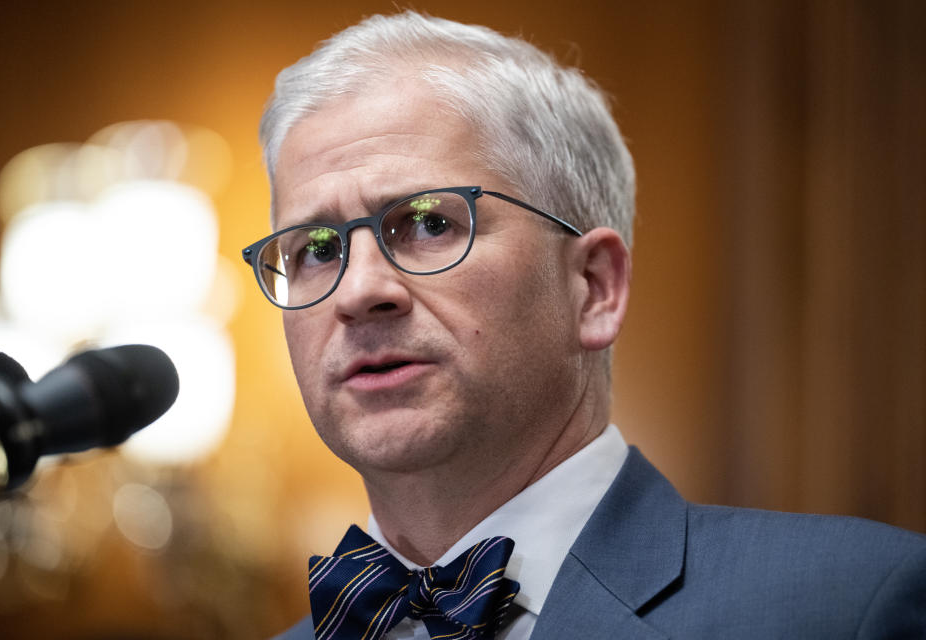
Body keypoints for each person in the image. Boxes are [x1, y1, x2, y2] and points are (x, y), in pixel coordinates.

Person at [242, 12, 926, 639]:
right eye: (317, 250)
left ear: (594, 287)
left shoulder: (851, 603)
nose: (358, 290)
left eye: (428, 223)